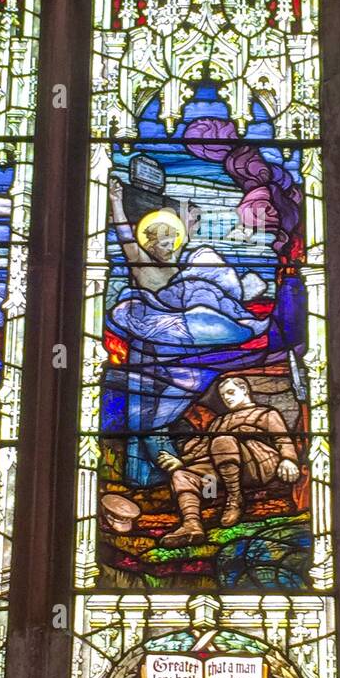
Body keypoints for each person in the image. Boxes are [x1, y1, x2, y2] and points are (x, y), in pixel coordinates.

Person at [107, 175, 269, 484]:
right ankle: (153, 475)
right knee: (146, 411)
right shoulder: (141, 264)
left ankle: (171, 473)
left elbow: (196, 281)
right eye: (163, 242)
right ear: (149, 244)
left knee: (163, 411)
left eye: (173, 241)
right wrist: (115, 203)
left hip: (185, 341)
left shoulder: (180, 265)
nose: (169, 247)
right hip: (156, 340)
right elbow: (126, 239)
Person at [155, 374, 300, 547]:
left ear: (244, 390)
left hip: (259, 463)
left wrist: (288, 459)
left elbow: (282, 440)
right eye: (224, 396)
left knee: (222, 441)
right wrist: (181, 463)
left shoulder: (266, 413)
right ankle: (191, 525)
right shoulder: (219, 421)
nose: (227, 398)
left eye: (231, 392)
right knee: (181, 474)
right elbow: (201, 449)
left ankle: (235, 499)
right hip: (222, 467)